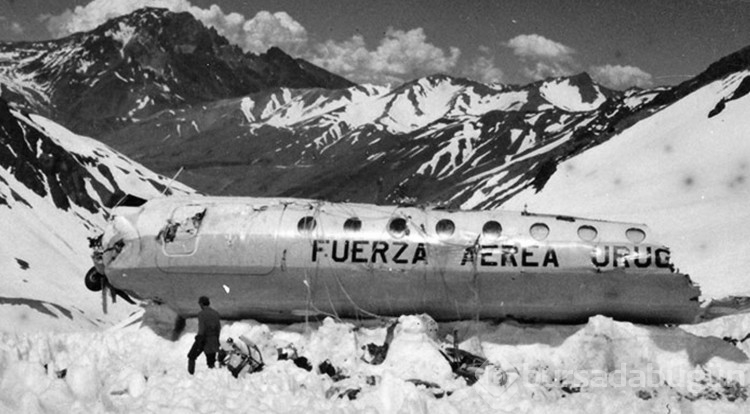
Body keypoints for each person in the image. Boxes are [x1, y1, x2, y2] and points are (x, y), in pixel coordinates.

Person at [187, 296, 221, 375]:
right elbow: (218, 328)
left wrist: (199, 339)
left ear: (201, 304)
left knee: (191, 356)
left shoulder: (201, 314)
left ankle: (190, 375)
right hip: (214, 340)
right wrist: (216, 340)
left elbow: (202, 327)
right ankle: (212, 376)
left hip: (204, 339)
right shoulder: (216, 313)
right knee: (211, 361)